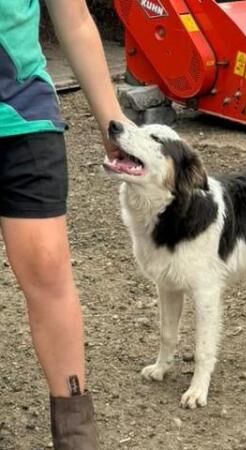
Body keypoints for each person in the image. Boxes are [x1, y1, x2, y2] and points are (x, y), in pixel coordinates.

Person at [0, 0, 128, 448]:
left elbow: (73, 17)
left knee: (47, 266)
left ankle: (76, 431)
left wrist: (111, 121)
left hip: (24, 114)